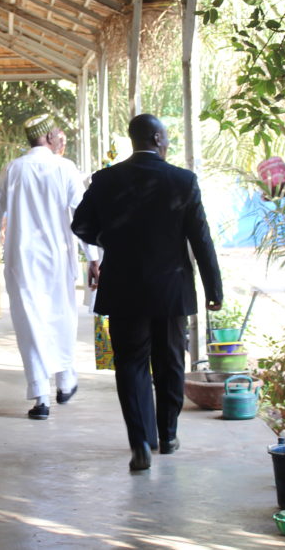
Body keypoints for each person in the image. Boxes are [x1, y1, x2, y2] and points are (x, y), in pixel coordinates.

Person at [71, 113, 223, 470]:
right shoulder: (183, 181)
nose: (168, 144)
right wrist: (213, 287)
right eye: (166, 138)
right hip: (171, 289)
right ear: (156, 138)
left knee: (131, 364)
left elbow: (81, 225)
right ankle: (167, 436)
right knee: (170, 362)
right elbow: (201, 239)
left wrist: (108, 239)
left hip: (123, 287)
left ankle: (140, 441)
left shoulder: (106, 179)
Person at [0, 114, 100, 419]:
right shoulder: (65, 168)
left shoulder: (13, 169)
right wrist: (93, 256)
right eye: (57, 134)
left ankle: (40, 395)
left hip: (22, 260)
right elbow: (81, 215)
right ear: (47, 137)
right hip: (58, 257)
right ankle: (65, 381)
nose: (61, 138)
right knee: (62, 316)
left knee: (29, 323)